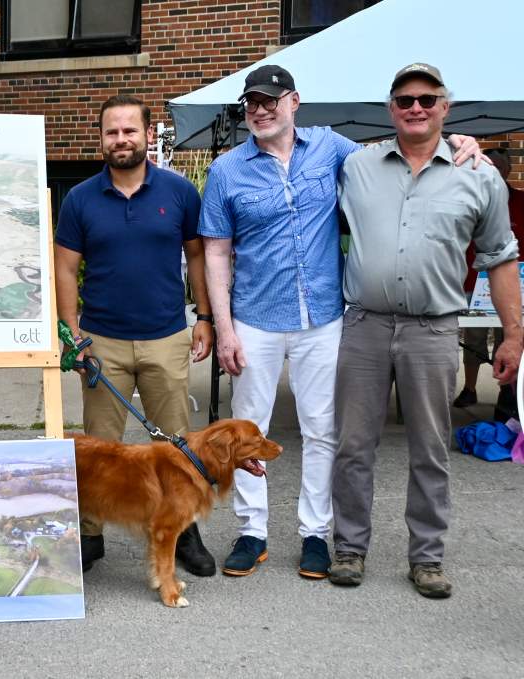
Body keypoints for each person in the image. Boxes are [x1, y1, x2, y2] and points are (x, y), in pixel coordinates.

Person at [200, 65, 482, 581]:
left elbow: (398, 159)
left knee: (322, 430)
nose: (260, 110)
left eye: (271, 100)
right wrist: (224, 327)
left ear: (294, 103)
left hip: (324, 317)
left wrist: (460, 141)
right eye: (252, 103)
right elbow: (216, 253)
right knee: (246, 430)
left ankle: (314, 533)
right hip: (255, 318)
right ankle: (252, 530)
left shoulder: (332, 149)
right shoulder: (226, 171)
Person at [329, 63, 521, 599]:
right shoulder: (356, 165)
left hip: (434, 330)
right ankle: (349, 547)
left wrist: (513, 334)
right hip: (364, 326)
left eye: (428, 100)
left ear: (445, 107)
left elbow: (501, 258)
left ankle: (428, 558)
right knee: (352, 447)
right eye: (405, 99)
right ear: (390, 108)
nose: (416, 107)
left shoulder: (479, 174)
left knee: (430, 449)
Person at [54, 94, 216, 576]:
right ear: (100, 138)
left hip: (166, 337)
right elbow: (65, 267)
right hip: (101, 342)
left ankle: (184, 534)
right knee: (98, 451)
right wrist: (71, 331)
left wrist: (203, 316)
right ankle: (89, 536)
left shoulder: (180, 192)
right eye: (111, 132)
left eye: (129, 130)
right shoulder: (81, 198)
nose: (120, 139)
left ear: (149, 134)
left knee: (178, 448)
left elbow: (198, 257)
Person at [452, 147, 524, 407]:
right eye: (490, 165)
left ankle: (507, 392)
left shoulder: (520, 201)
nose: (495, 171)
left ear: (509, 170)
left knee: (509, 338)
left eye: (500, 167)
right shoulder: (469, 198)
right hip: (473, 284)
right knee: (473, 339)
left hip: (513, 283)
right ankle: (470, 388)